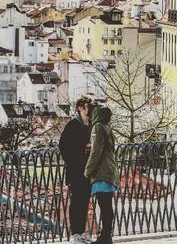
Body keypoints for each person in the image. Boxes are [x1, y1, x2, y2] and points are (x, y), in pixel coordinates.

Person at [59, 96, 93, 243]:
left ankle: (82, 232)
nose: (90, 110)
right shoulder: (73, 125)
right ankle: (75, 233)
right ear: (80, 107)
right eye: (88, 106)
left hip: (88, 170)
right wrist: (82, 150)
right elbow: (64, 147)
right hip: (76, 170)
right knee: (77, 201)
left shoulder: (91, 125)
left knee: (85, 201)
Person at [84, 105, 118, 244]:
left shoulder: (97, 127)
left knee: (103, 205)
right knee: (107, 205)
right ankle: (106, 236)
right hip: (110, 169)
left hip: (101, 171)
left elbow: (96, 152)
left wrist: (88, 171)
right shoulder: (107, 127)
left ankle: (105, 238)